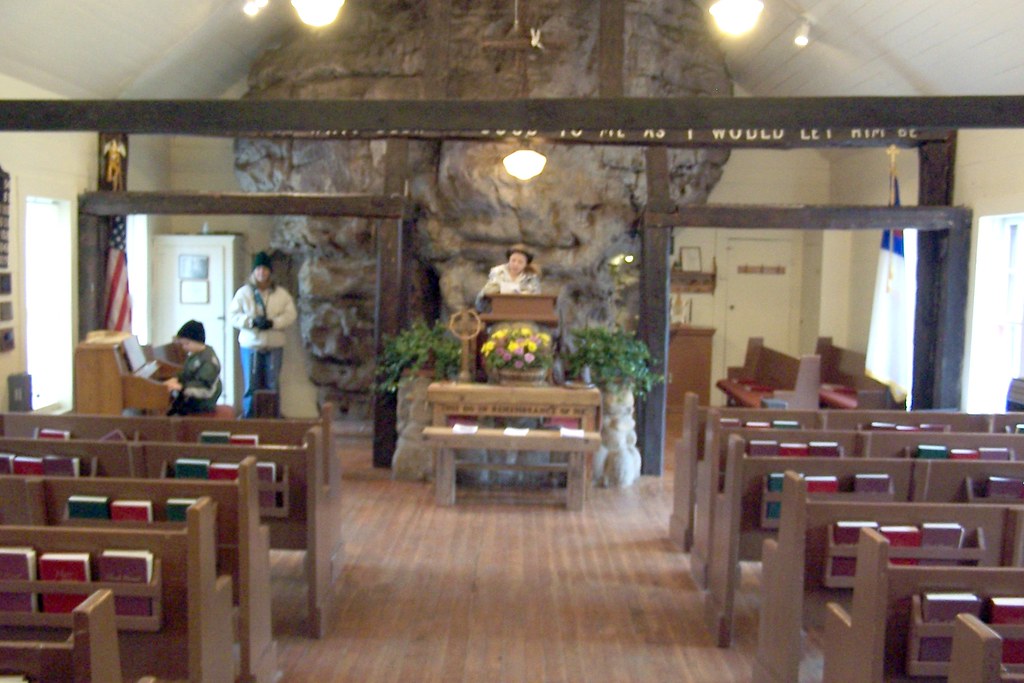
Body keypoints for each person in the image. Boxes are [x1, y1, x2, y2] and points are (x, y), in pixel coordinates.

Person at [229, 251, 298, 418]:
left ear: (270, 272)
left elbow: (291, 314)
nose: (262, 272)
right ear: (253, 271)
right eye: (258, 269)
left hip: (273, 344)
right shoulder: (244, 293)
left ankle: (273, 418)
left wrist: (274, 323)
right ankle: (249, 417)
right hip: (251, 345)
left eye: (265, 269)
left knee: (272, 384)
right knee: (251, 385)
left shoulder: (281, 294)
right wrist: (251, 322)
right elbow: (233, 316)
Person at [165, 319, 222, 415]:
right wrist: (176, 379)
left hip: (204, 402)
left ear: (198, 341)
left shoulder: (209, 361)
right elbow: (187, 373)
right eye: (182, 344)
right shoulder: (195, 355)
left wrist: (182, 388)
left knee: (175, 413)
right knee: (173, 408)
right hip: (193, 395)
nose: (184, 347)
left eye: (187, 343)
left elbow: (204, 388)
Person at [475, 243, 542, 310]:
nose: (515, 264)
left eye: (520, 262)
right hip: (498, 309)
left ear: (526, 264)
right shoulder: (498, 272)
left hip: (523, 311)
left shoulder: (531, 277)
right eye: (513, 260)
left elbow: (536, 298)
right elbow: (486, 293)